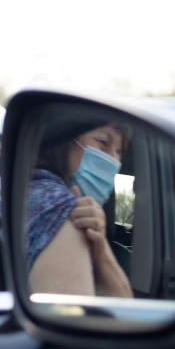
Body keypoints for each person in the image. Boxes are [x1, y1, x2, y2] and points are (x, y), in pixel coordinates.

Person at [27, 122, 133, 298]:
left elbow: (125, 230)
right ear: (65, 140)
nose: (114, 160)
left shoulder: (123, 192)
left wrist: (101, 247)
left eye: (120, 151)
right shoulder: (61, 207)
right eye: (102, 141)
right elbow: (72, 317)